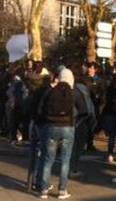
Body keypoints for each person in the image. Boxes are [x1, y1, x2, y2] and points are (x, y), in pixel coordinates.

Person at [36, 67, 78, 199]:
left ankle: (43, 190)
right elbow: (79, 110)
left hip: (51, 126)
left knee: (48, 159)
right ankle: (62, 190)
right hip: (67, 127)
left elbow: (40, 110)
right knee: (65, 161)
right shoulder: (73, 93)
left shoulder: (50, 92)